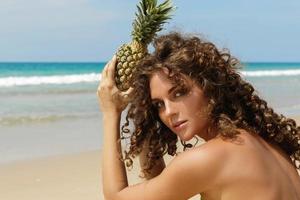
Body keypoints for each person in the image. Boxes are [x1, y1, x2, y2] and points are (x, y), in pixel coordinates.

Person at [97, 32, 300, 200]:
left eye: (179, 93)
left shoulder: (209, 158)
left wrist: (110, 113)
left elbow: (117, 197)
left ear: (209, 86)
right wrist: (147, 122)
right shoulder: (265, 144)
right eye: (158, 104)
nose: (168, 112)